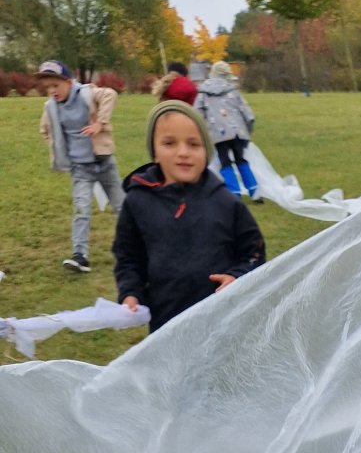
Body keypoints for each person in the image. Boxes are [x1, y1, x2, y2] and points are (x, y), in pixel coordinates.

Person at [113, 101, 265, 333]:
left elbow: (254, 252)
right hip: (166, 324)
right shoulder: (137, 201)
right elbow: (128, 257)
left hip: (222, 323)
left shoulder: (226, 202)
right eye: (169, 143)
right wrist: (130, 293)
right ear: (154, 152)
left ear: (206, 152)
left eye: (194, 144)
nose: (183, 153)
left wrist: (237, 277)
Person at [36, 58, 124, 274]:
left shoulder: (87, 93)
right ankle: (80, 256)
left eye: (56, 85)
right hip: (80, 168)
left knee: (122, 206)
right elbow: (45, 130)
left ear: (68, 82)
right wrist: (58, 148)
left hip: (103, 162)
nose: (52, 91)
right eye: (48, 87)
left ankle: (140, 245)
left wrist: (100, 123)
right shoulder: (51, 107)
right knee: (81, 209)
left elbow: (110, 95)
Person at [195, 61, 258, 199]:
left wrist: (200, 131)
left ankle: (234, 191)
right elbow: (247, 112)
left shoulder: (203, 92)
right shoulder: (233, 91)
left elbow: (197, 113)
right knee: (240, 159)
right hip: (237, 131)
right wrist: (248, 130)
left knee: (224, 161)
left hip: (217, 132)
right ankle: (254, 190)